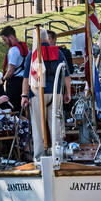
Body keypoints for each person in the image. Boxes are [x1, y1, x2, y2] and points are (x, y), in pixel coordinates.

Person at [21, 30, 73, 158]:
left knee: (38, 127)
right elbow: (66, 76)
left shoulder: (32, 55)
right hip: (56, 94)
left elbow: (26, 78)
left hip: (38, 93)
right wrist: (68, 93)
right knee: (56, 126)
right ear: (46, 39)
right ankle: (58, 155)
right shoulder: (58, 52)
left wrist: (24, 95)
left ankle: (39, 156)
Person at [0, 25, 28, 111]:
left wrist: (3, 79)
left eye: (5, 40)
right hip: (23, 81)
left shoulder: (13, 50)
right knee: (22, 107)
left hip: (14, 83)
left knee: (14, 108)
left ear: (11, 37)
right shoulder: (23, 47)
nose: (5, 42)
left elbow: (11, 70)